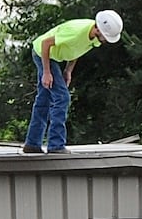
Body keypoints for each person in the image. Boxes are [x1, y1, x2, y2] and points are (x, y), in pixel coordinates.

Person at [24, 9, 124, 154]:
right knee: (62, 97)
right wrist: (46, 72)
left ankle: (32, 144)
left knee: (44, 98)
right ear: (98, 29)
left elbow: (77, 50)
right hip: (42, 52)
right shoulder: (75, 32)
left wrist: (68, 70)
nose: (106, 41)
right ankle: (56, 145)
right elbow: (46, 43)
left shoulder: (94, 39)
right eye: (105, 37)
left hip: (54, 57)